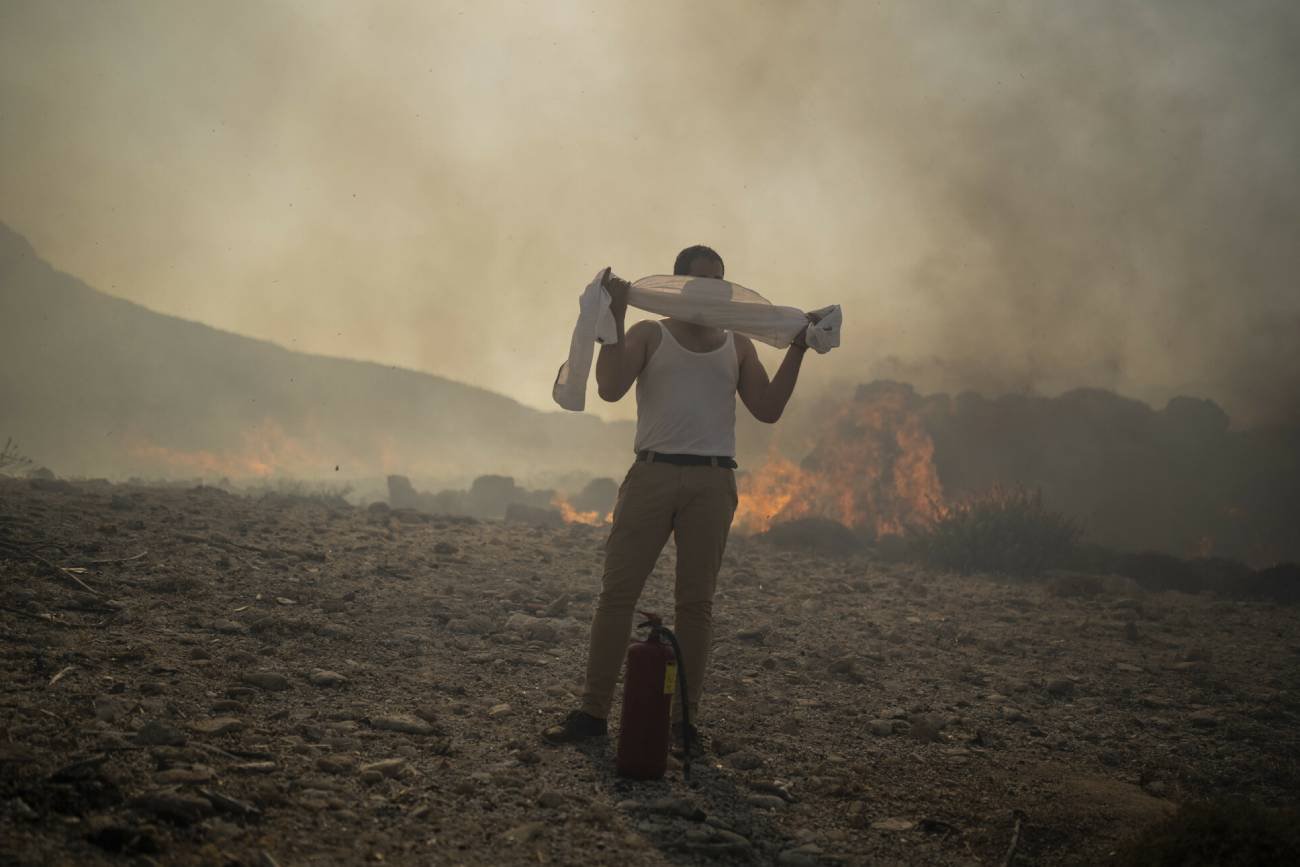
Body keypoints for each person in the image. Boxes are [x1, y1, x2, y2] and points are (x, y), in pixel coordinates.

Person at [544, 244, 819, 749]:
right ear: (681, 286)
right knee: (617, 597)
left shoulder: (737, 345)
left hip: (713, 482)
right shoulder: (652, 333)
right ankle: (592, 713)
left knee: (696, 605)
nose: (711, 289)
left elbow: (769, 408)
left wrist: (799, 347)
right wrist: (619, 314)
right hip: (652, 473)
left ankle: (683, 723)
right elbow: (609, 387)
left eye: (719, 279)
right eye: (701, 281)